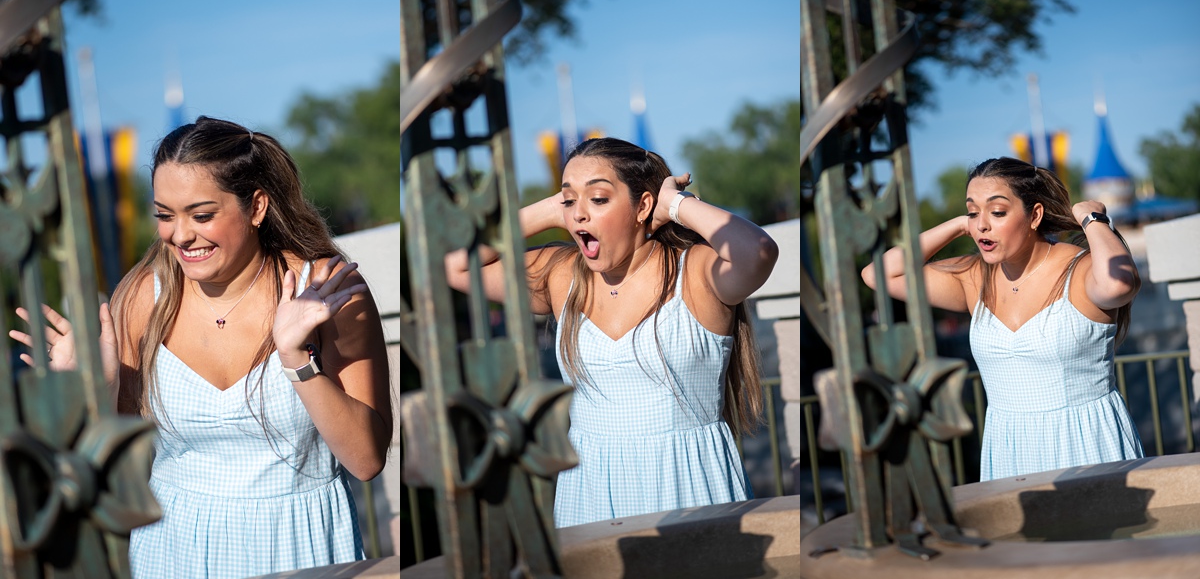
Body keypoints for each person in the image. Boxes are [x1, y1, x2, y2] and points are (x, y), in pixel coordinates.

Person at [10, 116, 393, 578]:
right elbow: (116, 472)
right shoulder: (140, 301)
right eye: (165, 215)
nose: (180, 235)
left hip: (299, 543)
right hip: (170, 548)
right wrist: (97, 389)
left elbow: (366, 459)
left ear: (256, 207)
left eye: (202, 214)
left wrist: (296, 360)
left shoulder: (326, 291)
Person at [445, 137, 779, 527]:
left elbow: (757, 250)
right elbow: (455, 266)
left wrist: (676, 205)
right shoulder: (562, 275)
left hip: (689, 486)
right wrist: (555, 208)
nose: (579, 216)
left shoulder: (695, 273)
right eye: (571, 202)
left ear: (643, 207)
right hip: (590, 491)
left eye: (599, 199)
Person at [861, 156, 1143, 482]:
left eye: (996, 212)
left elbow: (1119, 283)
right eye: (972, 211)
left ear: (1034, 215)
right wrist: (957, 225)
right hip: (1009, 451)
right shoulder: (974, 277)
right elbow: (878, 275)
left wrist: (1091, 218)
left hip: (1086, 445)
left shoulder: (1079, 270)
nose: (981, 224)